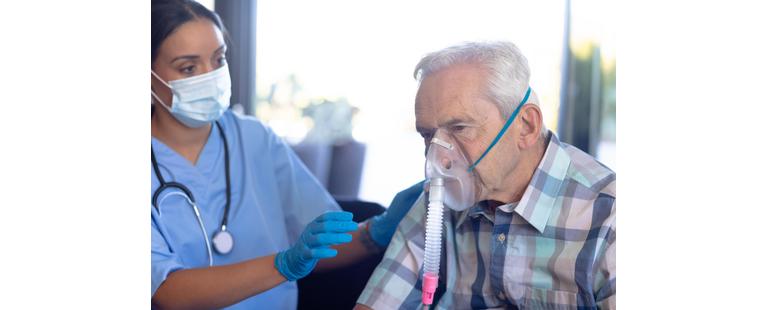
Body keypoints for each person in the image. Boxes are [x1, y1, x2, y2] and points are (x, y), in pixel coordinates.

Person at [150, 1, 421, 309]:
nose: (210, 76)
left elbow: (320, 248)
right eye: (188, 68)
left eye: (218, 59)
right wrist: (283, 264)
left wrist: (379, 229)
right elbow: (166, 292)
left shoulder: (255, 139)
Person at [355, 41, 616, 309]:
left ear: (526, 126)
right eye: (428, 135)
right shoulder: (437, 203)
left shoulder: (610, 219)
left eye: (460, 128)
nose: (440, 159)